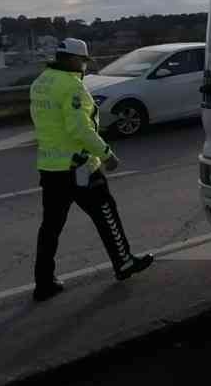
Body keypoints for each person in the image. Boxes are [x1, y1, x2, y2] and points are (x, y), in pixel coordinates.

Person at [29, 38, 153, 301]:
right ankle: (124, 262)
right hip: (79, 166)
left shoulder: (41, 82)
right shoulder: (71, 86)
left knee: (50, 227)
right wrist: (106, 154)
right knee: (106, 213)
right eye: (83, 60)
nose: (84, 66)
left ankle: (43, 283)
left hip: (50, 167)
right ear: (73, 59)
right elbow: (79, 128)